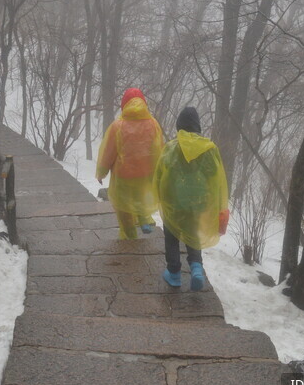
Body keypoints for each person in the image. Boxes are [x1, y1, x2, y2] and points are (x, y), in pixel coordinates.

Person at [154, 106, 229, 291]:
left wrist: (158, 196)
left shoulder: (171, 148)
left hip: (173, 203)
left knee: (171, 236)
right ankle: (196, 267)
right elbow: (216, 177)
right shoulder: (209, 149)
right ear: (197, 127)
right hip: (197, 203)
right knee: (192, 234)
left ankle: (174, 273)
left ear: (179, 126)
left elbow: (160, 175)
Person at [96, 88, 164, 239]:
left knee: (125, 208)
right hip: (145, 174)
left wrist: (101, 172)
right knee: (140, 199)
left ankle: (130, 237)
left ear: (124, 104)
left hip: (123, 176)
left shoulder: (118, 126)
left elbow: (109, 152)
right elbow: (158, 149)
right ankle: (144, 219)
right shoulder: (153, 124)